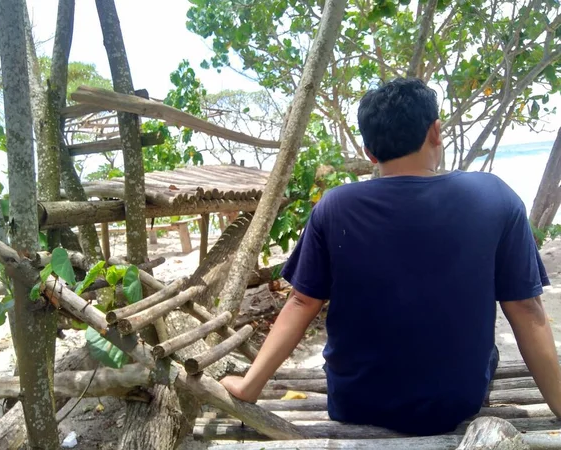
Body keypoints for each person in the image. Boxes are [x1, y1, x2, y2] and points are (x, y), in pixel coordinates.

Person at [220, 78, 561, 435]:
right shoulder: (494, 197)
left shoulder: (335, 206)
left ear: (369, 151)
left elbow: (301, 301)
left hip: (356, 401)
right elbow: (526, 309)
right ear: (436, 132)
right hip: (456, 401)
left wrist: (249, 386)